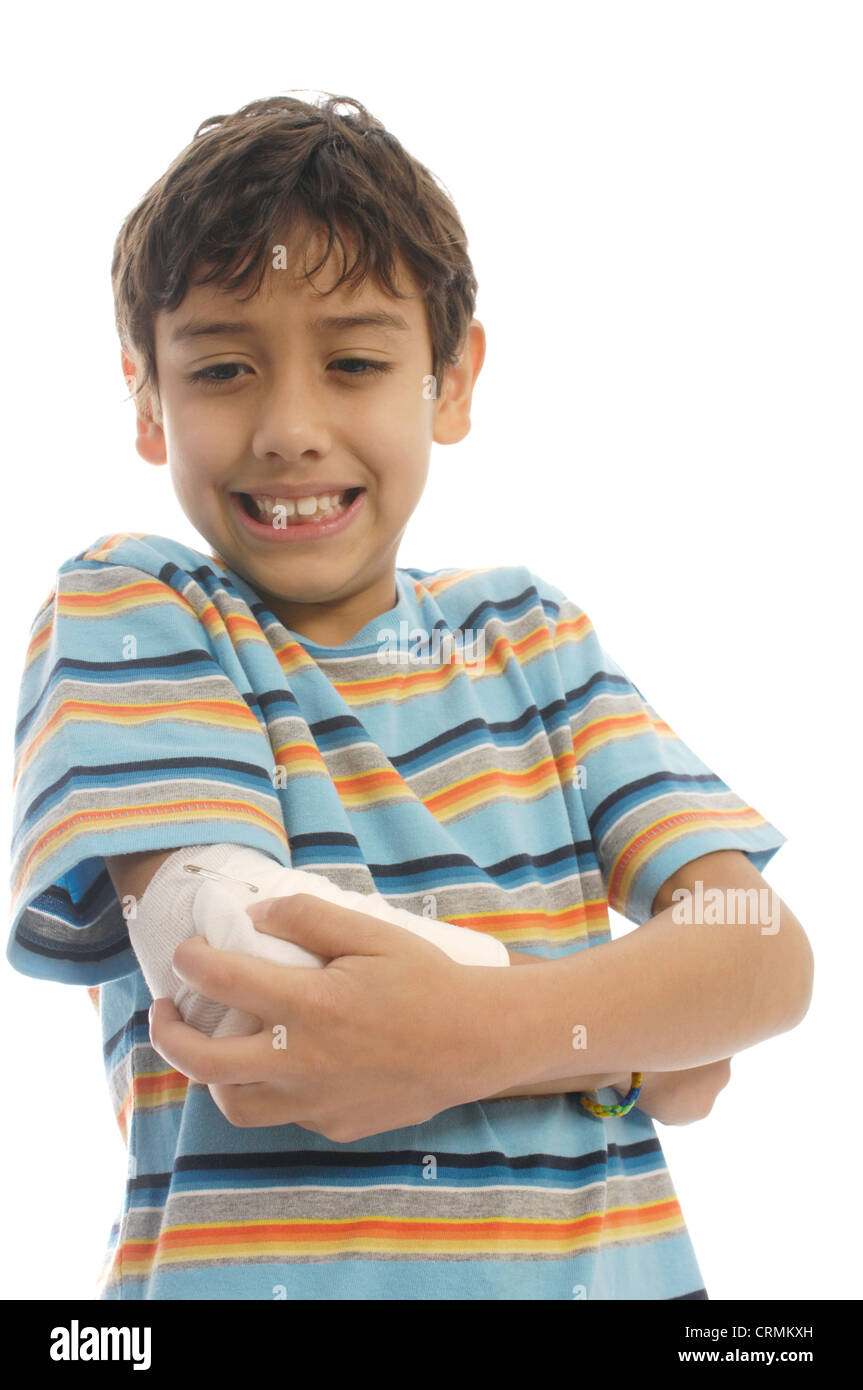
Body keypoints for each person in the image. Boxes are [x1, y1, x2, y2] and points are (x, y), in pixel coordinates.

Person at [8, 92, 813, 1301]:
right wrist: (617, 1036)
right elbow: (224, 941)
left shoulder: (533, 639)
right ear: (144, 397)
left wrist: (505, 1027)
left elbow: (758, 952)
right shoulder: (135, 606)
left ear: (451, 378)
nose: (290, 427)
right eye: (223, 367)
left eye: (355, 362)